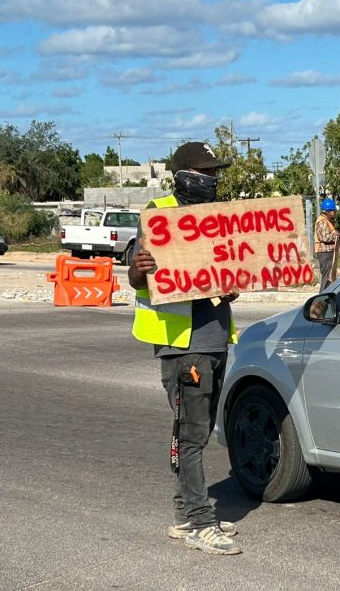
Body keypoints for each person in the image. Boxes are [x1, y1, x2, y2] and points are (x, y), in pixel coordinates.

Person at [128, 141, 242, 556]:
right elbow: (137, 276)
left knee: (198, 431)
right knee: (191, 435)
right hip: (182, 345)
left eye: (215, 174)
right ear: (185, 175)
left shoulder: (216, 220)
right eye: (207, 173)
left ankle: (184, 515)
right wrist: (138, 272)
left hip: (213, 339)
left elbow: (219, 274)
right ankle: (198, 522)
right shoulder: (158, 215)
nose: (213, 180)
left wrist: (227, 289)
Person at [314, 197, 340, 291]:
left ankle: (325, 298)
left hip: (327, 251)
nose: (335, 212)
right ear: (329, 211)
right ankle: (322, 298)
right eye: (334, 210)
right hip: (324, 252)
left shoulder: (326, 221)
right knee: (326, 277)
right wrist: (336, 236)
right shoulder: (322, 221)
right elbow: (325, 237)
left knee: (328, 277)